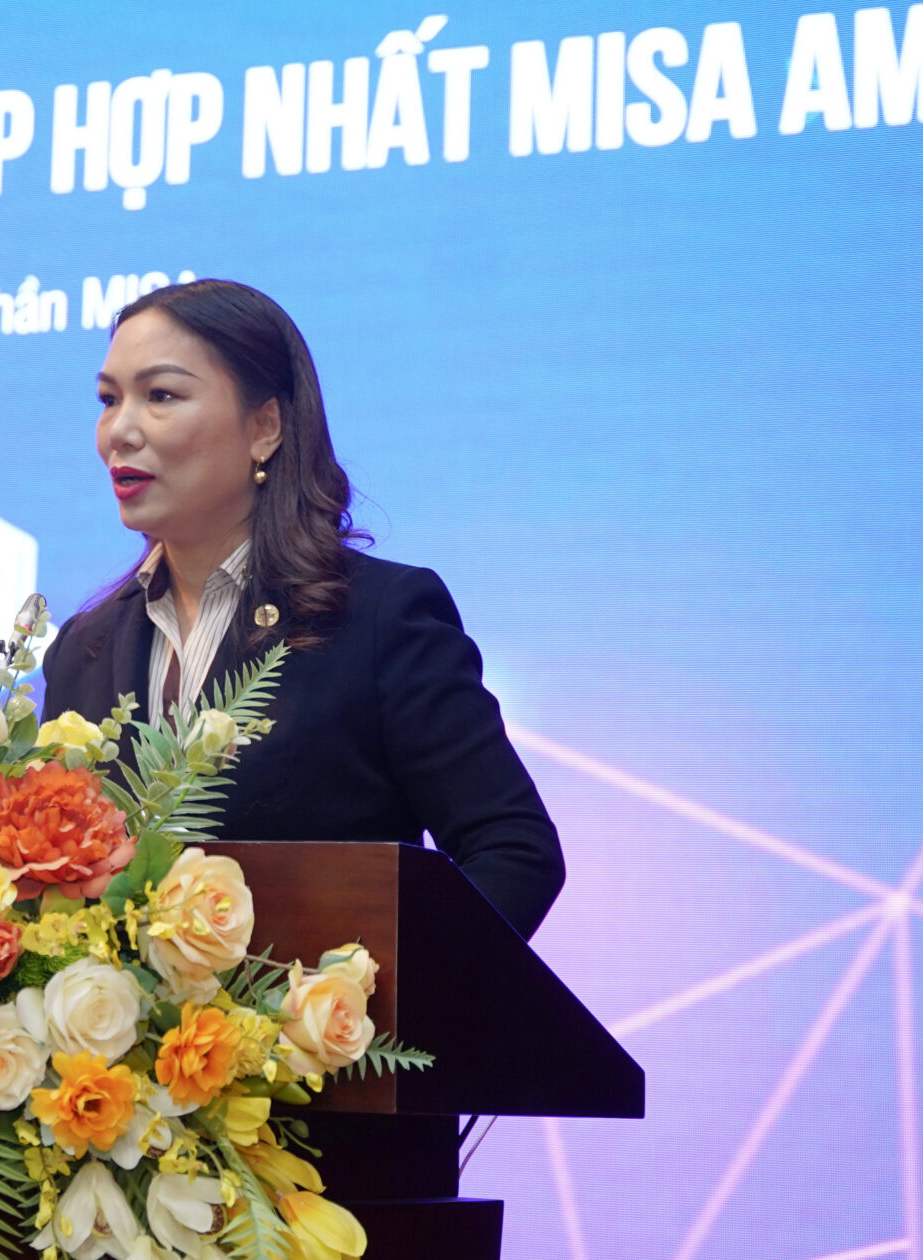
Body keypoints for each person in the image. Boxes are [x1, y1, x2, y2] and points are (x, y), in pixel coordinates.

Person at [40, 279, 565, 938]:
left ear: (265, 427)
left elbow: (515, 853)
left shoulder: (379, 620)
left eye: (161, 396)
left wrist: (379, 994)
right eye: (108, 399)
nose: (119, 431)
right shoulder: (81, 650)